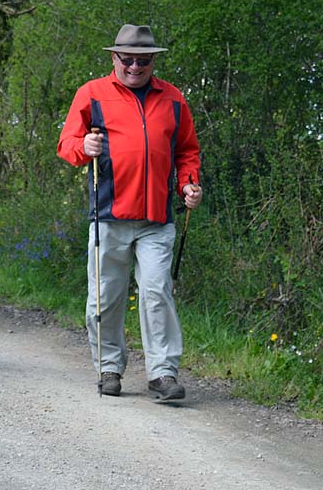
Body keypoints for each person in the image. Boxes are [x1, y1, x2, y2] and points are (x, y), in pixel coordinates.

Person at [57, 24, 202, 400]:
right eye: (128, 59)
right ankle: (108, 368)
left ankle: (163, 373)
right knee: (106, 296)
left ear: (153, 60)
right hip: (108, 215)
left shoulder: (172, 99)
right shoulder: (92, 94)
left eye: (143, 60)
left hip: (157, 218)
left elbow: (187, 150)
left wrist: (188, 183)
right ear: (114, 58)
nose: (135, 66)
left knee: (158, 291)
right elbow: (67, 145)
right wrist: (84, 144)